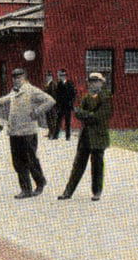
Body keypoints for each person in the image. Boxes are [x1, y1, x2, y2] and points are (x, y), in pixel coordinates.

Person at [0, 68, 55, 199]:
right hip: (14, 131)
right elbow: (5, 99)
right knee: (18, 162)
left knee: (30, 160)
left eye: (18, 78)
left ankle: (40, 181)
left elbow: (50, 101)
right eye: (14, 78)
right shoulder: (14, 92)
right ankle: (26, 189)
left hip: (27, 132)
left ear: (24, 78)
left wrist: (37, 112)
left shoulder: (31, 90)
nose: (15, 80)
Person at [58, 72, 112, 201]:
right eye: (91, 81)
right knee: (77, 165)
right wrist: (88, 114)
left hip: (99, 137)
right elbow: (78, 114)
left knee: (97, 166)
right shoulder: (86, 97)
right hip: (85, 136)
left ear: (101, 82)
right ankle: (68, 192)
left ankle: (96, 191)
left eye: (95, 81)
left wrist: (84, 114)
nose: (93, 84)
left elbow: (99, 117)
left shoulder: (106, 97)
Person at [51, 69, 77, 141]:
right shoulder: (59, 84)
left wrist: (71, 103)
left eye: (63, 75)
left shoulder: (70, 84)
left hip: (68, 106)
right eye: (61, 75)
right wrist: (57, 105)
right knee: (58, 121)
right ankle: (55, 136)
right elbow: (57, 95)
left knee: (67, 122)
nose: (62, 77)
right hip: (61, 106)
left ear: (66, 76)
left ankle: (68, 136)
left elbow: (74, 94)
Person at [43, 72, 59, 138]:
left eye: (49, 76)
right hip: (47, 104)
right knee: (48, 118)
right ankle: (50, 132)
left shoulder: (53, 84)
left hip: (52, 105)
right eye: (47, 76)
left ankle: (54, 133)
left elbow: (54, 95)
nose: (47, 78)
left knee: (53, 119)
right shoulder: (47, 84)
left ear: (51, 77)